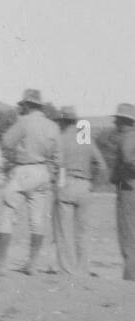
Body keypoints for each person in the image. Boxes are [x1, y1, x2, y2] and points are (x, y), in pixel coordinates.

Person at [0, 89, 59, 276]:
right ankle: (32, 264)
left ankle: (1, 264)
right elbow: (58, 155)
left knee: (6, 215)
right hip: (43, 171)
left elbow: (6, 142)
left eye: (22, 105)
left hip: (23, 169)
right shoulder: (52, 126)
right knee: (37, 220)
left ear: (27, 106)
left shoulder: (23, 122)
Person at [52, 106, 106, 277]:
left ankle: (68, 271)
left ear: (62, 121)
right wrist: (94, 185)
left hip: (66, 184)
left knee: (64, 232)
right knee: (82, 233)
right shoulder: (85, 138)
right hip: (85, 187)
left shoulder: (60, 139)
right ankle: (82, 270)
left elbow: (56, 166)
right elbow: (102, 166)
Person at [109, 103, 135, 281]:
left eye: (118, 120)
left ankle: (130, 278)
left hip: (127, 190)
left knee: (128, 237)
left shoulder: (127, 138)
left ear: (124, 121)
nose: (115, 123)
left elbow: (128, 158)